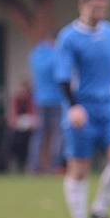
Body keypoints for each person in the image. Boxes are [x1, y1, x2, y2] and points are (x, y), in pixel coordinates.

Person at [56, 0, 110, 218]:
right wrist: (74, 106)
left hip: (108, 106)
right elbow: (64, 77)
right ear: (82, 6)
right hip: (82, 109)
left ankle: (99, 207)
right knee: (80, 168)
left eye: (103, 8)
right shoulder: (69, 37)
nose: (99, 13)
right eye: (94, 8)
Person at [27, 36, 64, 173]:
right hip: (56, 99)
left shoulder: (35, 54)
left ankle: (34, 166)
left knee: (39, 134)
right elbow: (61, 75)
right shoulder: (56, 55)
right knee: (57, 134)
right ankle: (56, 165)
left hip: (40, 100)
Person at [8, 78, 36, 172]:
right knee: (15, 142)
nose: (22, 93)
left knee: (29, 143)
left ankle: (28, 165)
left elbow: (33, 114)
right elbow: (13, 116)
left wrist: (30, 122)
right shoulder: (16, 100)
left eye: (24, 91)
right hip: (17, 130)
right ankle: (15, 164)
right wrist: (16, 122)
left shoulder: (31, 100)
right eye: (20, 91)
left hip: (29, 131)